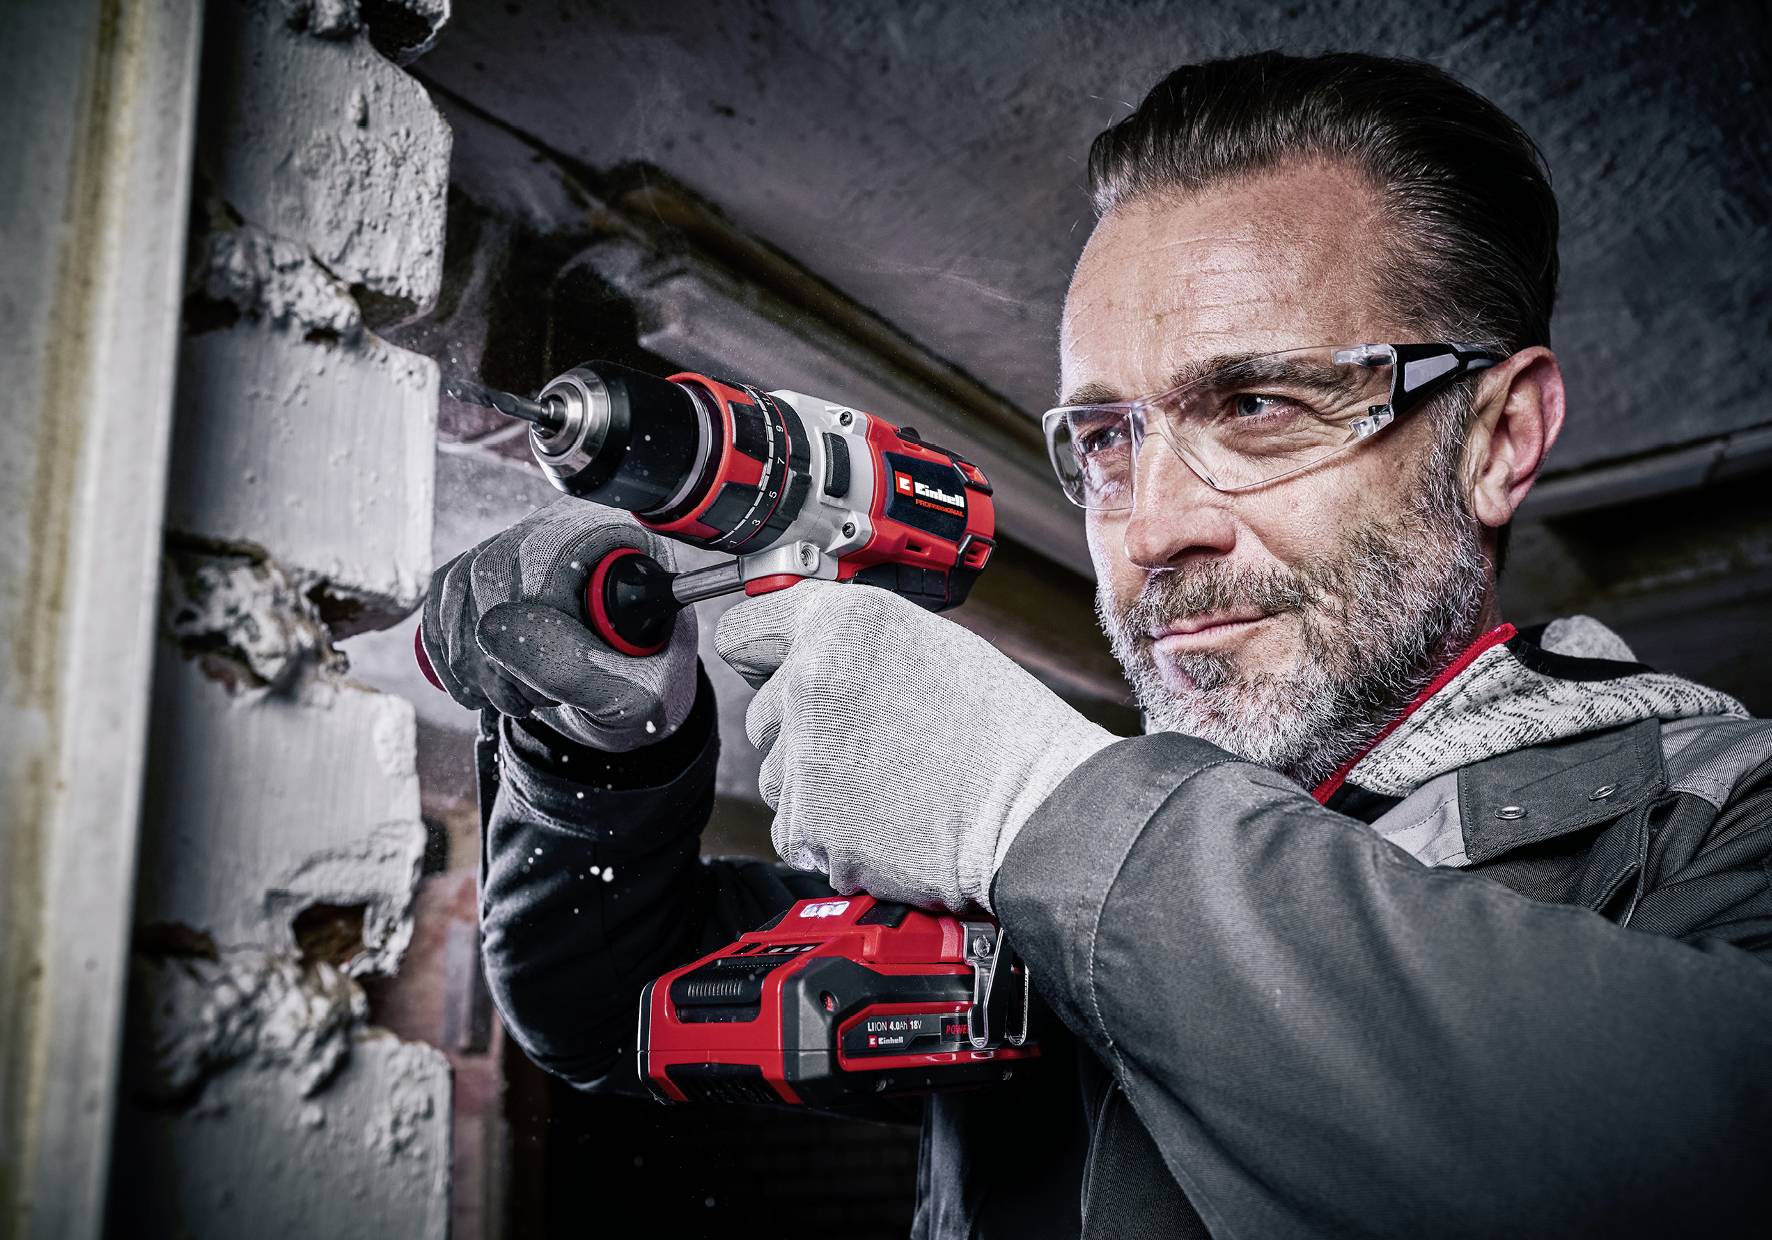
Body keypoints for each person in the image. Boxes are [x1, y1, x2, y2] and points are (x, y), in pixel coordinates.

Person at [420, 51, 1772, 1238]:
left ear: (1499, 437)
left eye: (1255, 403)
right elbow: (610, 1008)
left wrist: (1038, 810)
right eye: (1105, 442)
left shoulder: (1722, 815)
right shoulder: (1010, 880)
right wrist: (602, 744)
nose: (1154, 530)